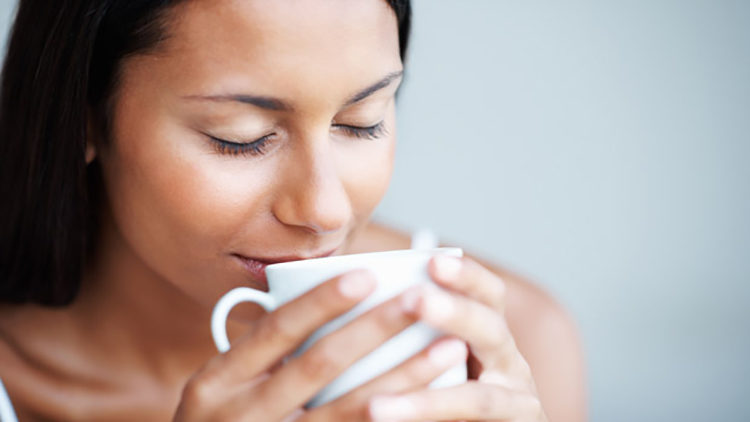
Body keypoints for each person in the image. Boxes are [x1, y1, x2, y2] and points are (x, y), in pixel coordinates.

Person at [0, 0, 586, 420]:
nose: (325, 212)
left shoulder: (514, 350)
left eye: (363, 122)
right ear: (83, 117)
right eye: (241, 137)